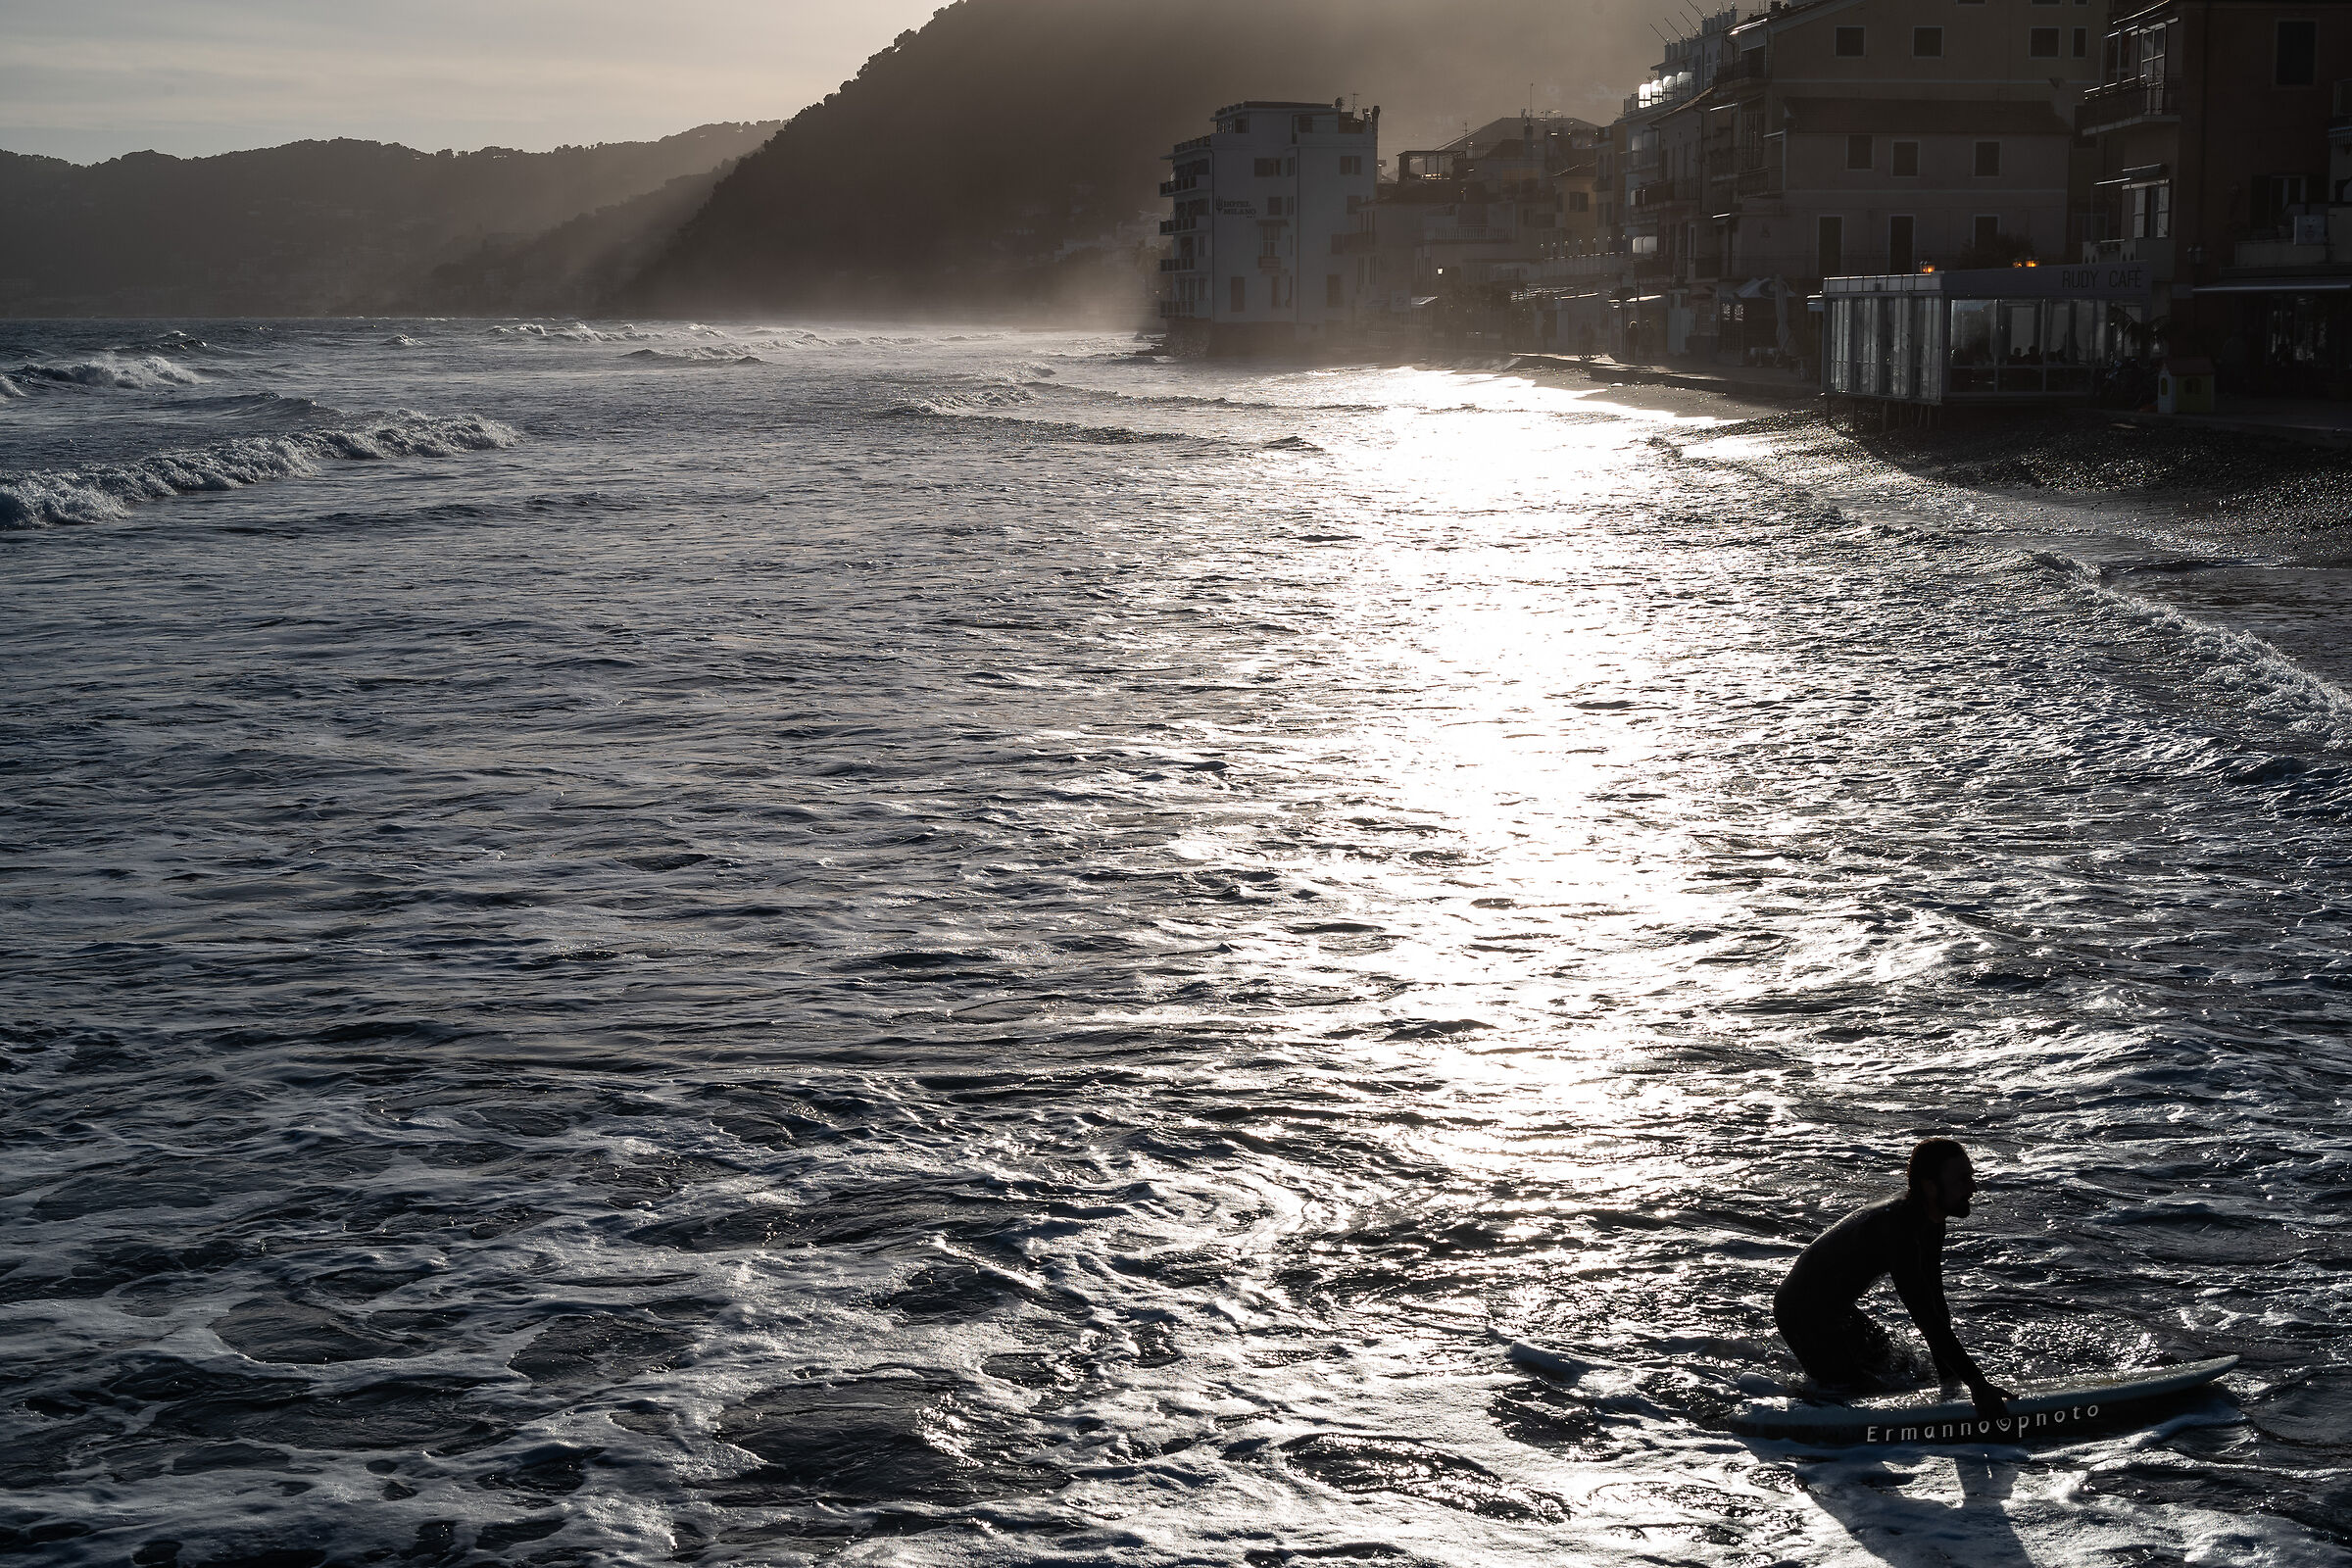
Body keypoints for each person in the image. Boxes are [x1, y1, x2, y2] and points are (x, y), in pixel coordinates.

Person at [1773, 1138, 2014, 1419]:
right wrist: (1977, 1384)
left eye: (1971, 1177)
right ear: (1930, 1185)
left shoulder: (1931, 1219)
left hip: (1835, 1310)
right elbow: (1924, 1317)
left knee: (1900, 1367)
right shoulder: (1899, 1231)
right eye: (1962, 1180)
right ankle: (1797, 1416)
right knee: (1858, 1393)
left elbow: (1936, 1303)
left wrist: (1952, 1385)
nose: (1973, 1188)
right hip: (1799, 1311)